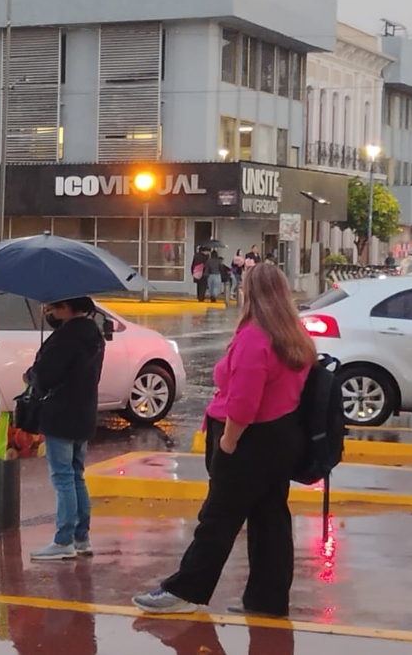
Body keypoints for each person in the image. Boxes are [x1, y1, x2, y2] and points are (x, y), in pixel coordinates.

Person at [132, 263, 316, 617]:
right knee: (270, 519)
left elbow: (245, 404)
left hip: (247, 441)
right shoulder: (294, 336)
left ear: (251, 293)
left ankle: (185, 591)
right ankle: (267, 600)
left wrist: (228, 444)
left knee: (217, 517)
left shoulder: (254, 338)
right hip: (281, 439)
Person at [26, 296, 106, 561]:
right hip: (83, 412)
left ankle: (63, 541)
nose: (49, 310)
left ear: (66, 307)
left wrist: (33, 373)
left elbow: (45, 375)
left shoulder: (65, 337)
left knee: (62, 478)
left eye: (53, 306)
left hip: (61, 414)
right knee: (76, 475)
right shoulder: (93, 333)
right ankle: (82, 537)